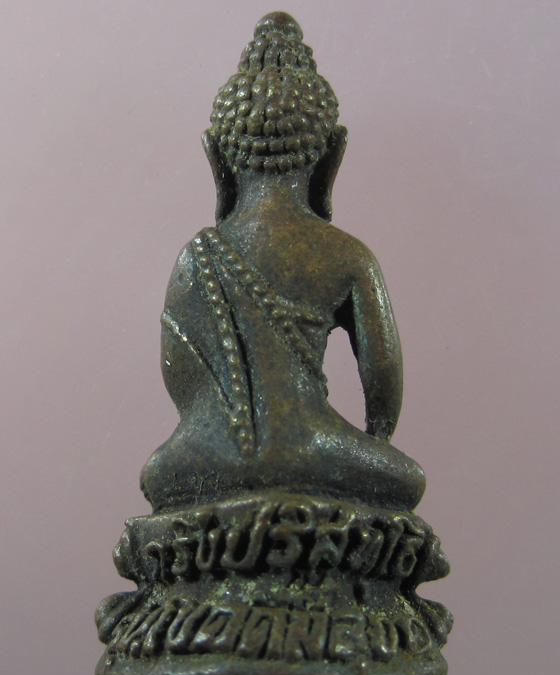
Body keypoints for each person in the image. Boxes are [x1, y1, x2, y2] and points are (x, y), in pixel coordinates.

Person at [140, 12, 425, 514]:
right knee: (407, 478)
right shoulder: (348, 255)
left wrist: (223, 433)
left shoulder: (195, 257)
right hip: (312, 448)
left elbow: (182, 385)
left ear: (216, 157)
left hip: (205, 458)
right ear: (332, 155)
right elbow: (383, 384)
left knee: (156, 472)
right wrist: (374, 441)